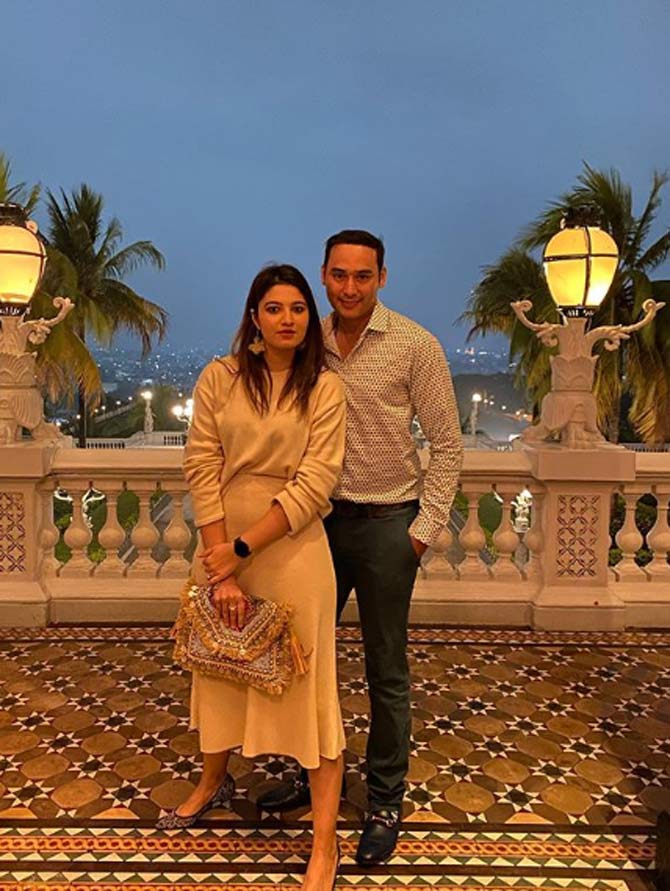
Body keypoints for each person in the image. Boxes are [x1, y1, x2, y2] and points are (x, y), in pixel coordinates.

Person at [258, 231, 463, 866]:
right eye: (339, 275)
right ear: (323, 275)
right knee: (302, 661)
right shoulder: (308, 341)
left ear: (381, 277)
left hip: (385, 526)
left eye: (363, 276)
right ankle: (309, 773)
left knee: (385, 670)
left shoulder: (414, 345)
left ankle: (382, 799)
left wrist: (422, 530)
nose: (350, 287)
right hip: (313, 525)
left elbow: (447, 445)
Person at [157, 264, 346, 891]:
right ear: (254, 316)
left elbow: (317, 483)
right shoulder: (221, 377)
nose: (287, 318)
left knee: (309, 690)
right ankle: (212, 778)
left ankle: (324, 842)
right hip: (220, 545)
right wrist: (220, 562)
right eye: (274, 307)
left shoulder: (325, 389)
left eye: (297, 307)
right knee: (218, 669)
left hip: (290, 550)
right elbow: (201, 462)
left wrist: (239, 550)